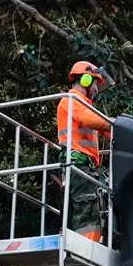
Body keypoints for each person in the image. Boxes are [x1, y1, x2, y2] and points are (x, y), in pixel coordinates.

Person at [55, 61, 113, 243]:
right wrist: (115, 122)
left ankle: (86, 245)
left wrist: (121, 130)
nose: (96, 89)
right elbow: (90, 119)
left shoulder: (85, 107)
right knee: (87, 211)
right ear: (86, 79)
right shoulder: (71, 101)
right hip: (78, 164)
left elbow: (104, 128)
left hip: (83, 166)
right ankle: (87, 249)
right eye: (95, 83)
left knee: (88, 208)